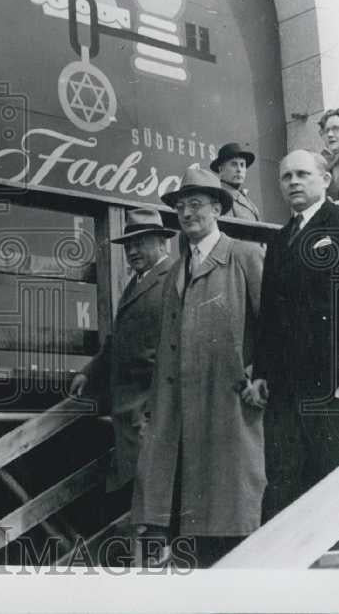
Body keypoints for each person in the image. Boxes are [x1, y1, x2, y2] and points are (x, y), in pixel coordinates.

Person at [253, 149, 339, 568]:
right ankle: (289, 585)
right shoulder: (279, 240)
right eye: (285, 177)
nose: (293, 182)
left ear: (325, 178)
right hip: (288, 388)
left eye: (301, 174)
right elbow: (270, 314)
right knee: (283, 485)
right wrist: (262, 371)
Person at [132, 167, 265, 568]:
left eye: (196, 204)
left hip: (227, 401)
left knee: (230, 510)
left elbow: (276, 323)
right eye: (181, 206)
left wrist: (260, 373)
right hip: (179, 408)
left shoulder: (243, 255)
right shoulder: (177, 268)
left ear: (217, 209)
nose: (187, 213)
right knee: (185, 512)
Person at [70, 209, 175, 509]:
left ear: (161, 243)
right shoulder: (136, 283)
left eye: (140, 242)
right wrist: (89, 371)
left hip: (150, 409)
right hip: (127, 409)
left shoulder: (174, 279)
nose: (132, 251)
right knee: (135, 498)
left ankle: (155, 552)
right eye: (128, 245)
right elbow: (117, 340)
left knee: (153, 499)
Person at [210, 142, 261, 222]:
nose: (239, 170)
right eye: (234, 164)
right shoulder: (220, 198)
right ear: (221, 170)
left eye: (242, 165)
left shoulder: (246, 199)